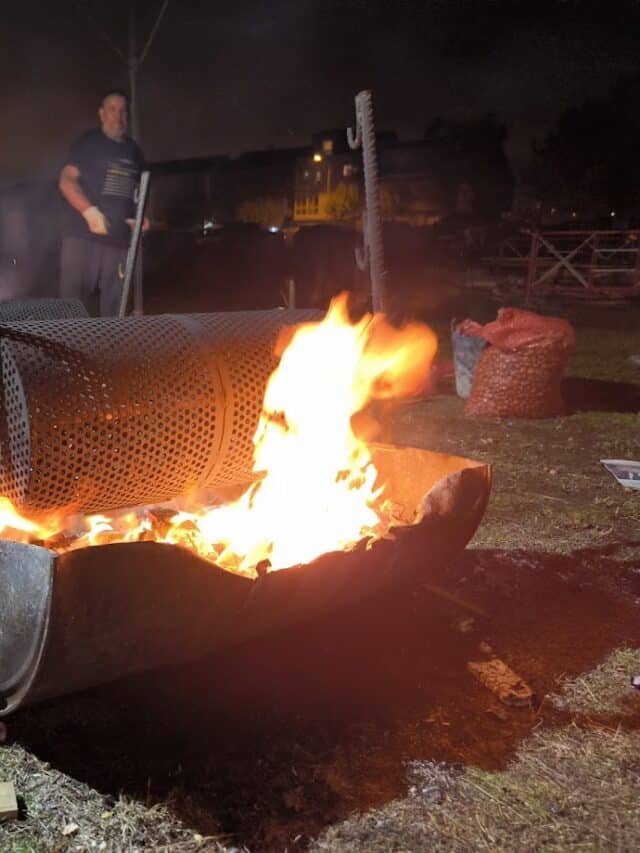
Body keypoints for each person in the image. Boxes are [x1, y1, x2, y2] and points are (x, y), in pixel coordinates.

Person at [58, 90, 145, 316]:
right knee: (73, 309)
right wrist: (89, 212)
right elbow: (66, 181)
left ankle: (112, 350)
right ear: (102, 114)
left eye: (123, 111)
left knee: (116, 311)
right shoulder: (89, 142)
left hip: (118, 240)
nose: (118, 116)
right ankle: (67, 350)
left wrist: (141, 216)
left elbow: (140, 191)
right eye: (112, 110)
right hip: (82, 237)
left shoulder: (134, 151)